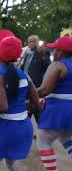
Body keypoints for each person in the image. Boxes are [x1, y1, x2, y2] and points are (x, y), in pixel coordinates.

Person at [0, 36, 40, 171]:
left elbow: (3, 106)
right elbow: (36, 103)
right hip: (25, 127)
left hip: (7, 128)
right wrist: (19, 110)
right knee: (11, 164)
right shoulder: (24, 75)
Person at [36, 36, 72, 171]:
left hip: (58, 110)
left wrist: (28, 94)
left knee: (43, 139)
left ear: (61, 52)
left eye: (55, 49)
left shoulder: (57, 65)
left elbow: (44, 90)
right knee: (65, 137)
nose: (53, 52)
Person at [21, 35, 51, 122]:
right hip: (26, 87)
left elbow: (48, 66)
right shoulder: (27, 54)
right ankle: (26, 132)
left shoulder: (43, 53)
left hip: (37, 87)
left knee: (38, 113)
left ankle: (42, 131)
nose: (30, 43)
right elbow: (23, 68)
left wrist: (41, 54)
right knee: (26, 113)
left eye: (33, 41)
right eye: (29, 42)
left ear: (38, 42)